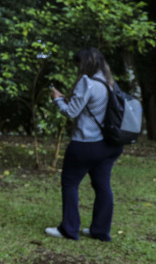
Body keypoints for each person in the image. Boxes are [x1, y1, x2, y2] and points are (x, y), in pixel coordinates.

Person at [46, 47, 124, 241]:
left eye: (79, 63)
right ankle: (100, 231)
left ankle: (69, 229)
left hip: (87, 143)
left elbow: (71, 112)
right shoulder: (110, 83)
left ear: (86, 63)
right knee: (102, 186)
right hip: (110, 145)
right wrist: (67, 99)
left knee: (70, 183)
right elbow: (87, 107)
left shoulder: (87, 82)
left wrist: (57, 100)